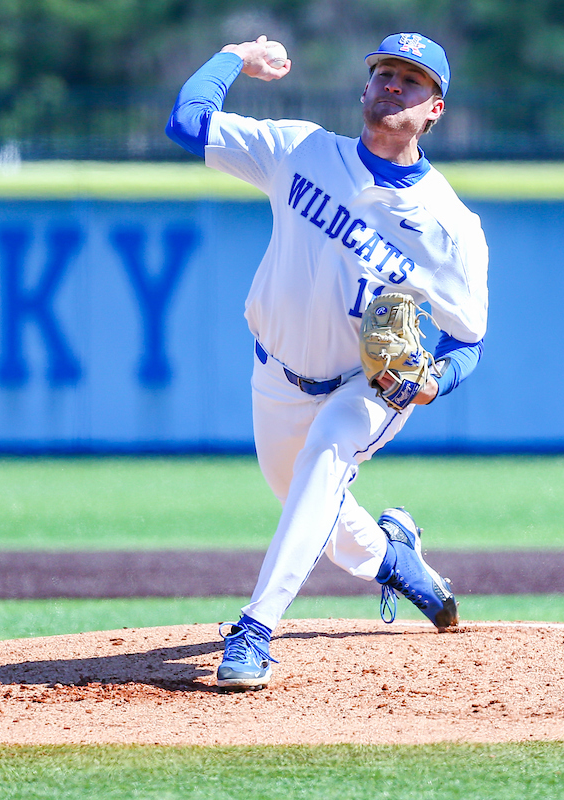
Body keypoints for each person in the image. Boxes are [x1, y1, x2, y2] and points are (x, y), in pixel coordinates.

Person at [165, 32, 489, 690]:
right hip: (276, 372)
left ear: (436, 109)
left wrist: (433, 383)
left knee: (327, 456)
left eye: (412, 79)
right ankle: (397, 560)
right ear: (365, 88)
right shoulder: (301, 151)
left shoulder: (450, 224)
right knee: (310, 504)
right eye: (384, 73)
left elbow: (466, 342)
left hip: (368, 385)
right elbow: (187, 121)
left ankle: (254, 631)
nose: (393, 84)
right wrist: (233, 55)